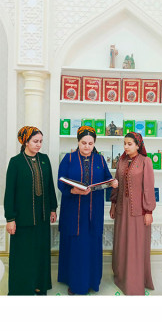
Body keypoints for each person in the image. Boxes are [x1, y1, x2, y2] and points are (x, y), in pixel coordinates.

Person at [57, 126, 118, 295]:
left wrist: (112, 183)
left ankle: (92, 281)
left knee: (91, 245)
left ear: (94, 144)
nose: (87, 146)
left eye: (90, 143)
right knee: (76, 247)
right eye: (84, 143)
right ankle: (75, 283)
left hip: (93, 212)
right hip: (73, 212)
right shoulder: (68, 159)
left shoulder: (100, 160)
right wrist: (73, 190)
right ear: (78, 142)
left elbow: (107, 179)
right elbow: (61, 182)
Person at [3, 126, 58, 295]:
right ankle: (22, 289)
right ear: (25, 142)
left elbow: (50, 185)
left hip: (42, 218)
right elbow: (9, 192)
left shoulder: (44, 159)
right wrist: (10, 218)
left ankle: (39, 285)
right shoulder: (16, 162)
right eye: (35, 141)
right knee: (24, 256)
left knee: (40, 253)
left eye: (41, 141)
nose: (39, 144)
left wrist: (53, 208)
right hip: (23, 219)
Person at [109, 132, 155, 295]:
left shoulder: (145, 161)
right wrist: (113, 205)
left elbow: (148, 187)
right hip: (122, 209)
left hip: (139, 211)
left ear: (138, 145)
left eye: (129, 144)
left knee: (136, 245)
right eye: (124, 143)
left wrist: (148, 211)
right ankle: (122, 277)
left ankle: (135, 281)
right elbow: (116, 183)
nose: (126, 147)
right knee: (122, 243)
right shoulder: (121, 161)